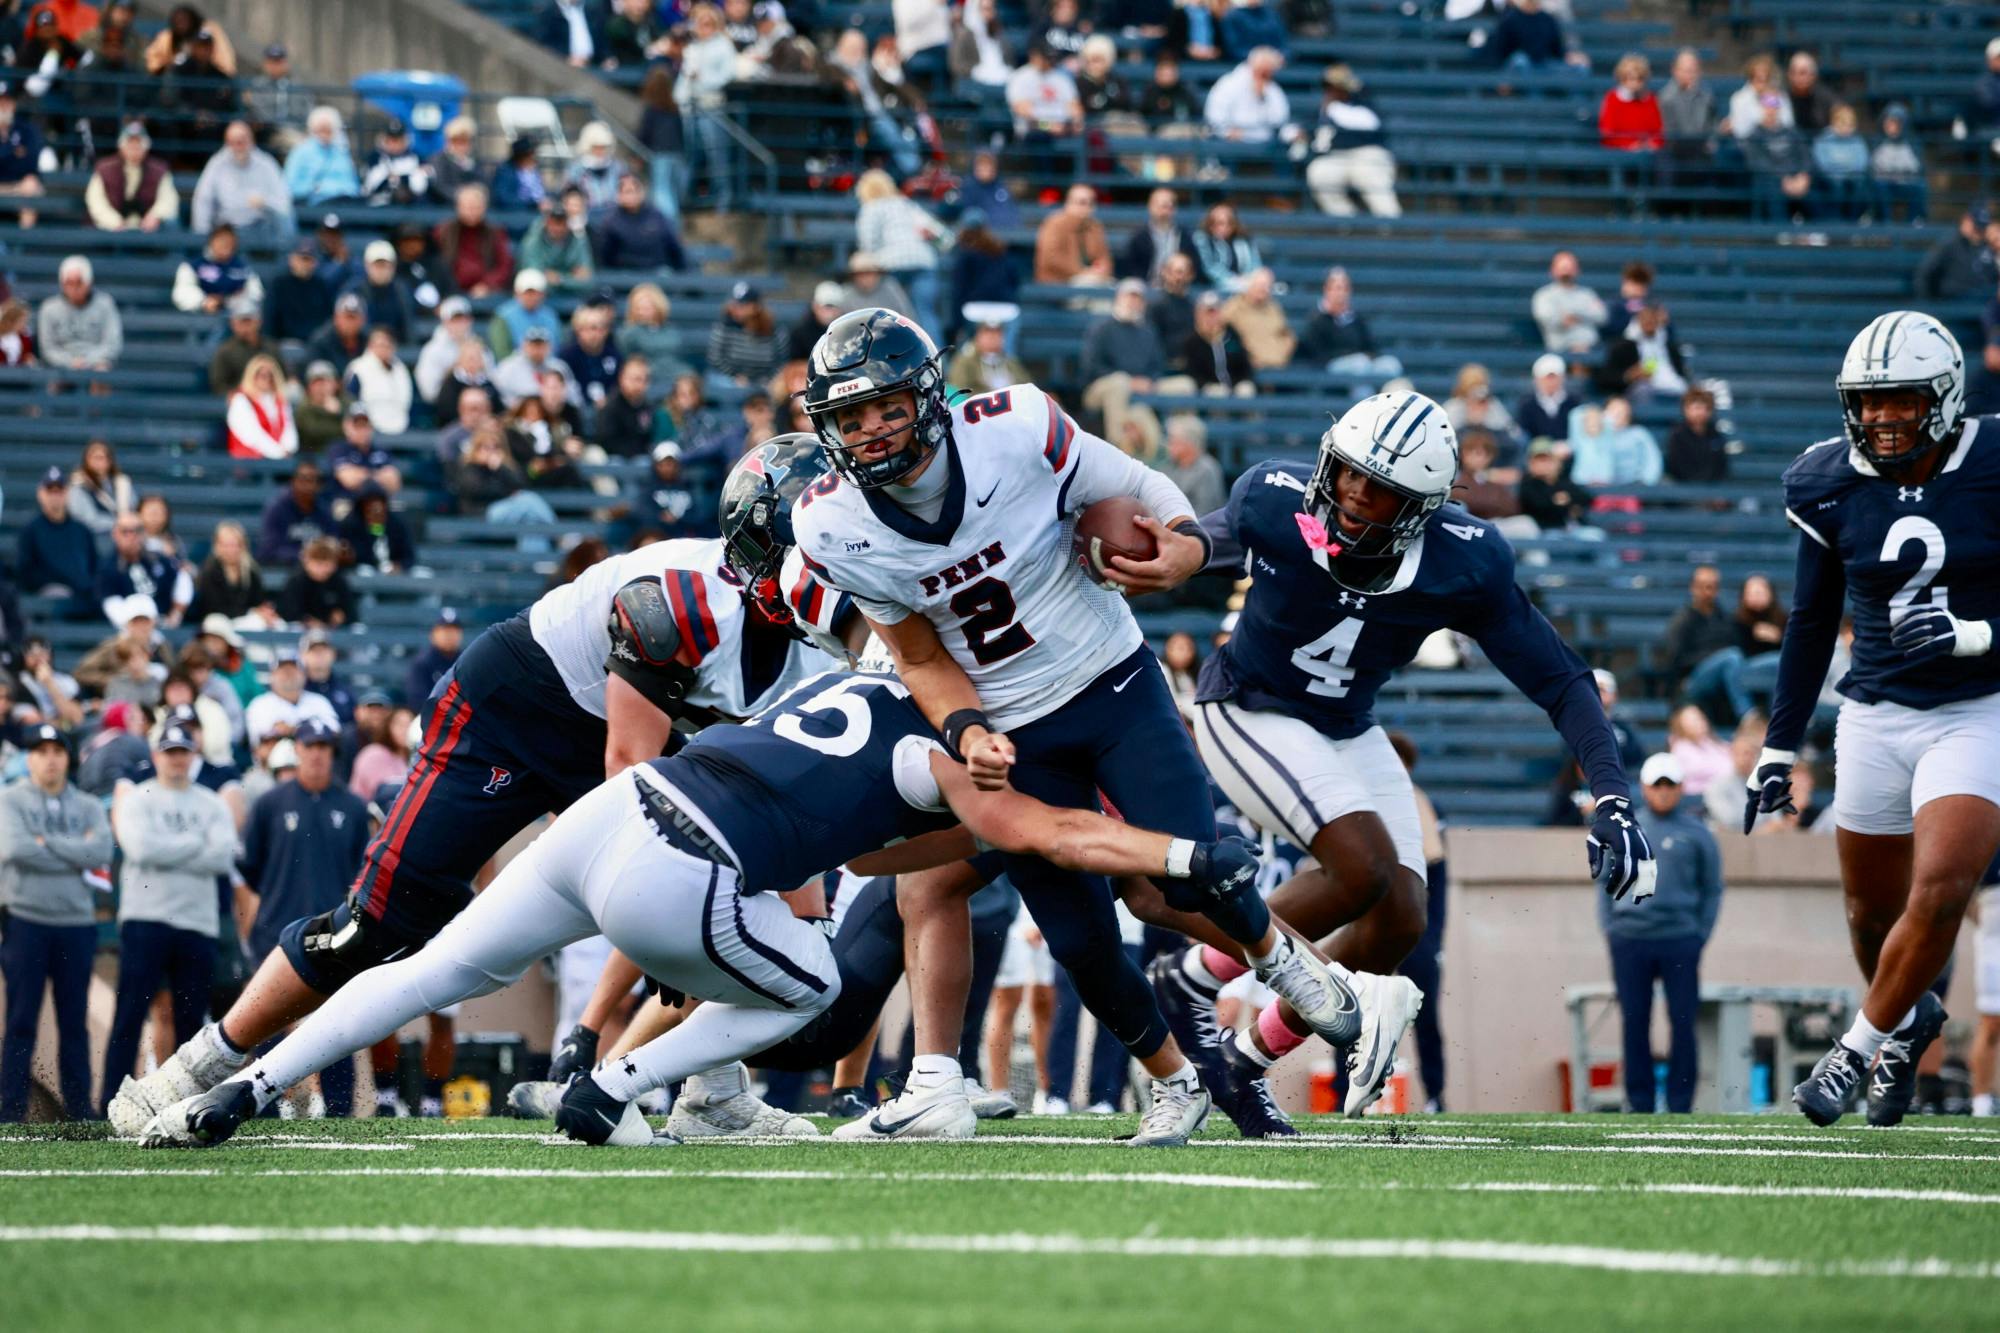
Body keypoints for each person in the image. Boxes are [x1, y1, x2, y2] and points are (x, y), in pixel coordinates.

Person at [148, 657, 1279, 1149]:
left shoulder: (838, 684)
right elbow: (1040, 831)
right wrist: (1182, 853)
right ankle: (619, 1084)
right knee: (815, 983)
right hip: (683, 868)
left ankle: (247, 1084)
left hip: (613, 813)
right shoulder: (951, 746)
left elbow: (872, 844)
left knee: (431, 969)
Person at [113, 450, 856, 1141]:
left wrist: (806, 926)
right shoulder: (675, 600)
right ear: (761, 550)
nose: (833, 560)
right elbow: (627, 765)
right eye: (812, 543)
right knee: (372, 926)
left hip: (629, 741)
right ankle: (198, 1064)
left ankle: (714, 1092)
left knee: (725, 878)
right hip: (515, 708)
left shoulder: (815, 648)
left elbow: (765, 802)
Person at [793, 310, 1371, 1142]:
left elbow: (1139, 485)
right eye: (850, 417)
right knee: (1079, 936)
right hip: (1012, 726)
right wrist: (964, 729)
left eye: (886, 407)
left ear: (927, 396)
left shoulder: (1016, 426)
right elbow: (918, 655)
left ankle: (1281, 959)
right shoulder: (830, 523)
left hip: (1111, 680)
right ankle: (1175, 1088)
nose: (872, 431)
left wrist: (1178, 547)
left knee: (1182, 874)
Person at [1150, 389, 1654, 1132]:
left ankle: (1242, 1060)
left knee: (1401, 920)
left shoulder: (1463, 561)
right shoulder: (1277, 500)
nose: (1353, 494)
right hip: (1248, 706)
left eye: (1379, 487)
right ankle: (1194, 977)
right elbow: (1212, 537)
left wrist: (1612, 793)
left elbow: (1561, 678)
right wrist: (1174, 550)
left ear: (1421, 506)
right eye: (1348, 472)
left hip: (1346, 725)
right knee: (1360, 867)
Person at [1748, 312, 2000, 1127]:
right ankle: (1905, 1022)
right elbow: (1810, 621)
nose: (1884, 416)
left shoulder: (1992, 460)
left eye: (1900, 399)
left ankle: (1853, 1051)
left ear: (1944, 396)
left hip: (1978, 707)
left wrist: (1979, 633)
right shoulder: (1825, 480)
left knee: (1943, 886)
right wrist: (1778, 745)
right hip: (1876, 712)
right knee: (1869, 912)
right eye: (1870, 400)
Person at [99, 724, 237, 1116]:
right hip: (147, 918)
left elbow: (222, 856)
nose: (177, 759)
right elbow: (139, 848)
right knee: (129, 1014)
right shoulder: (138, 798)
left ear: (193, 755)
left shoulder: (211, 802)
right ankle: (109, 1103)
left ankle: (190, 1108)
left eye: (183, 751)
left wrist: (169, 849)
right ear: (157, 755)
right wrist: (194, 845)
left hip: (196, 923)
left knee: (191, 1022)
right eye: (170, 751)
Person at [0, 725, 111, 1122]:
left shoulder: (88, 805)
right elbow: (15, 848)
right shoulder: (10, 801)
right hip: (26, 920)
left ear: (68, 757)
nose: (50, 758)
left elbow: (99, 850)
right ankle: (9, 1110)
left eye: (57, 751)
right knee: (21, 1018)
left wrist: (46, 844)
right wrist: (73, 851)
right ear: (29, 758)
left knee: (73, 1021)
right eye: (41, 751)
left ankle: (79, 1107)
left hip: (76, 924)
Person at [1603, 753, 1722, 1114]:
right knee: (1634, 1021)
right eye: (1658, 785)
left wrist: (1698, 935)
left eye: (1671, 785)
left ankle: (1680, 1102)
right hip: (1631, 939)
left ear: (1682, 788)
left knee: (1683, 1022)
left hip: (1680, 940)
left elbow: (1712, 888)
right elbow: (1605, 884)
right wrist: (1612, 929)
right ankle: (1638, 1102)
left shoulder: (1698, 833)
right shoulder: (1625, 829)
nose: (1665, 792)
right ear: (1645, 788)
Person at [1080, 277, 1170, 460]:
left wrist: (1149, 381)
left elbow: (1158, 365)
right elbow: (1091, 367)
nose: (1133, 302)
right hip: (1098, 390)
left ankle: (1174, 445)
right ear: (1119, 299)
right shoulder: (1101, 328)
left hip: (1139, 393)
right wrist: (1130, 381)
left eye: (1138, 298)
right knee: (1120, 382)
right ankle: (1118, 445)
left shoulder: (1147, 331)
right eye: (1129, 297)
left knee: (1184, 385)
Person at [854, 169, 943, 339]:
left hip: (891, 265)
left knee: (893, 316)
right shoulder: (906, 204)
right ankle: (937, 362)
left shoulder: (871, 207)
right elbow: (942, 236)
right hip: (923, 262)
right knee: (926, 314)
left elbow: (867, 244)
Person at [1306, 64, 1399, 218]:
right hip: (1336, 156)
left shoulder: (1363, 102)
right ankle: (1346, 222)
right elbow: (1307, 129)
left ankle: (1391, 224)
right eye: (1329, 87)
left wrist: (1333, 108)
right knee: (1319, 172)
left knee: (1372, 178)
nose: (1332, 91)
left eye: (1336, 86)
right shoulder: (1322, 110)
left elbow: (1370, 123)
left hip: (1368, 154)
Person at [190, 120, 292, 243]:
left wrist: (265, 202)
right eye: (233, 142)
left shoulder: (266, 163)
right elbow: (203, 199)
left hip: (260, 227)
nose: (238, 146)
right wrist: (202, 235)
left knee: (285, 218)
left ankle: (286, 254)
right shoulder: (216, 164)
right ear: (226, 143)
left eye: (242, 141)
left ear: (252, 140)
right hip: (227, 228)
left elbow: (283, 202)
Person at [97, 513, 192, 628]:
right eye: (125, 531)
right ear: (115, 534)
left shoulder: (158, 559)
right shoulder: (108, 568)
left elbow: (181, 579)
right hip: (129, 629)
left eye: (137, 530)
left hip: (163, 625)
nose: (132, 536)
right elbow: (111, 605)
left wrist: (176, 615)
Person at [17, 468, 98, 600]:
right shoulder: (30, 530)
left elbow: (93, 567)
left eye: (59, 490)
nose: (55, 495)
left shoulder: (82, 530)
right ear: (40, 494)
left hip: (84, 594)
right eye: (50, 490)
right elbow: (26, 573)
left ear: (67, 493)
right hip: (51, 596)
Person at [37, 255, 122, 381]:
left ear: (89, 283)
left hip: (96, 362)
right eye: (69, 283)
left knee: (102, 373)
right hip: (61, 366)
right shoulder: (49, 308)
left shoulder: (105, 304)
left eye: (79, 282)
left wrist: (87, 361)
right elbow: (48, 349)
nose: (74, 289)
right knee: (54, 379)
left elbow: (112, 344)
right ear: (62, 283)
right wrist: (70, 362)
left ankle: (99, 401)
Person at [85, 121, 179, 231]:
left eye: (138, 144)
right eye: (130, 143)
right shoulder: (104, 168)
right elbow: (95, 200)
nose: (134, 148)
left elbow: (168, 199)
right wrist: (114, 222)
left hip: (149, 232)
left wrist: (155, 216)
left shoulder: (159, 169)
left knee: (171, 224)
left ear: (146, 147)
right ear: (121, 147)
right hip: (110, 230)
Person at [594, 169, 687, 272]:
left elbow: (673, 248)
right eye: (626, 191)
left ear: (641, 192)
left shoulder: (657, 216)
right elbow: (604, 257)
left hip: (658, 272)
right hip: (624, 277)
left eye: (633, 190)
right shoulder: (610, 222)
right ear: (618, 195)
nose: (630, 196)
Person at [433, 183, 513, 300]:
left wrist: (487, 284)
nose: (471, 211)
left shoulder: (495, 232)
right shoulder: (443, 231)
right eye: (467, 207)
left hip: (486, 292)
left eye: (476, 207)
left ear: (484, 208)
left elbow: (504, 265)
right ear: (458, 207)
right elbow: (435, 263)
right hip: (450, 291)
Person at [1595, 301, 1687, 401]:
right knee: (1643, 389)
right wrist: (1629, 375)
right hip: (1641, 390)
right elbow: (1605, 377)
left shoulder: (1670, 347)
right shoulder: (1623, 347)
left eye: (1652, 319)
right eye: (1645, 319)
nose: (1649, 322)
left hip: (1674, 386)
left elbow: (1681, 373)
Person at [705, 282, 786, 391]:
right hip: (730, 378)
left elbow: (781, 361)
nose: (736, 309)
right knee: (720, 381)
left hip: (764, 380)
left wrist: (767, 378)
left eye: (743, 305)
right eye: (735, 304)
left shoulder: (775, 331)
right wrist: (734, 375)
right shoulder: (724, 327)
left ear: (755, 306)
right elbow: (715, 357)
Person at [1744, 97, 1812, 224]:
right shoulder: (1754, 136)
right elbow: (1757, 163)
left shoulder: (1792, 132)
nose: (1771, 110)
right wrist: (1783, 178)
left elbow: (1805, 156)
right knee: (1773, 192)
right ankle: (1781, 233)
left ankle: (1817, 232)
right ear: (1760, 109)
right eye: (1767, 106)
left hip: (1797, 178)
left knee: (1814, 192)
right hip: (1772, 180)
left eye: (1774, 106)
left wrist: (1804, 175)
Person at [256, 460, 336, 566]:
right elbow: (270, 549)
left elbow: (333, 541)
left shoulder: (325, 510)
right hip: (284, 569)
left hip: (319, 569)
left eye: (313, 480)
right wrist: (306, 555)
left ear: (318, 485)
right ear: (293, 481)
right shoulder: (277, 509)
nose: (308, 485)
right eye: (303, 479)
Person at [1568, 397, 1661, 487]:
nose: (1618, 413)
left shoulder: (1638, 433)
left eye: (1622, 410)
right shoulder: (1595, 436)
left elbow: (1652, 459)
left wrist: (1645, 482)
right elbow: (1576, 416)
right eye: (1614, 409)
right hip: (1601, 486)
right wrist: (1595, 415)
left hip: (1634, 486)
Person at [1532, 250, 1608, 360]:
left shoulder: (1588, 294)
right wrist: (1579, 318)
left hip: (1591, 347)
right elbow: (1547, 318)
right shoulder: (1544, 295)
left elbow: (1601, 316)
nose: (1566, 270)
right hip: (1559, 348)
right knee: (1579, 354)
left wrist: (1575, 315)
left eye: (1569, 266)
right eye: (1562, 266)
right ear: (1552, 270)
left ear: (1577, 270)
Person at [1033, 183, 1113, 287]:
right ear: (1068, 203)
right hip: (1058, 281)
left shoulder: (1095, 226)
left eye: (1091, 203)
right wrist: (1083, 271)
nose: (1087, 207)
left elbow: (1103, 256)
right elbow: (1052, 259)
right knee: (1091, 287)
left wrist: (1102, 270)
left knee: (1116, 288)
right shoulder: (1054, 224)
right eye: (1082, 202)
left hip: (1091, 279)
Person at [283, 106, 361, 208]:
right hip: (314, 206)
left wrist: (338, 190)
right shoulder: (300, 152)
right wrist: (316, 189)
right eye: (321, 129)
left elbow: (353, 186)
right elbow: (289, 186)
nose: (325, 134)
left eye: (329, 130)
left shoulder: (341, 154)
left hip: (342, 204)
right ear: (313, 129)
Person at [225, 353, 297, 461]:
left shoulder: (280, 400)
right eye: (262, 375)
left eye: (271, 375)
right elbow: (252, 435)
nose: (267, 379)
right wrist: (278, 453)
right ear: (252, 376)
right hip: (248, 463)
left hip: (277, 461)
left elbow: (289, 429)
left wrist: (288, 449)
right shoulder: (241, 400)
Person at [1221, 266, 1294, 371]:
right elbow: (1222, 335)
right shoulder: (1234, 307)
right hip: (1248, 368)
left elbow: (1287, 335)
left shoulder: (1274, 308)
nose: (1264, 289)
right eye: (1261, 285)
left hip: (1278, 366)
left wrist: (1283, 354)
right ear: (1250, 285)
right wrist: (1245, 357)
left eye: (1267, 286)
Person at [1182, 292, 1255, 397]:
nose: (1212, 317)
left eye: (1215, 312)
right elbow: (1193, 373)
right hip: (1208, 388)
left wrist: (1239, 382)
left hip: (1234, 384)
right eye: (1208, 313)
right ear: (1198, 315)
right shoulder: (1192, 341)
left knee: (1246, 389)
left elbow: (1244, 365)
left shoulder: (1232, 335)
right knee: (1218, 393)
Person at [341, 240, 415, 343]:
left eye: (385, 265)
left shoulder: (401, 290)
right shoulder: (354, 290)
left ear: (393, 266)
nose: (381, 270)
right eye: (377, 265)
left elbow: (407, 325)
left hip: (394, 347)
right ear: (367, 266)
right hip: (362, 348)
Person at [1157, 413, 1225, 516]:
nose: (1168, 443)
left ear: (1190, 442)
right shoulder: (1168, 466)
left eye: (1173, 439)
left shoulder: (1207, 470)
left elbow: (1206, 511)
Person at [1813, 103, 1869, 223]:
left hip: (1853, 178)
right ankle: (1837, 224)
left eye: (1850, 124)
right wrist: (1840, 174)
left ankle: (1853, 224)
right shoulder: (1823, 139)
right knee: (1837, 188)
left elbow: (1861, 163)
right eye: (1842, 123)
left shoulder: (1857, 140)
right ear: (1834, 122)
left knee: (1860, 189)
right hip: (1831, 179)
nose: (1846, 128)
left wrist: (1848, 173)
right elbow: (1823, 163)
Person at [1664, 386, 1732, 482]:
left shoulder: (1715, 435)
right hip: (1683, 488)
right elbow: (1676, 466)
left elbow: (1721, 465)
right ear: (1685, 410)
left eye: (1705, 408)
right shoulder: (1677, 435)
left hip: (1712, 489)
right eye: (1696, 408)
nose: (1700, 412)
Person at [1598, 53, 1662, 152]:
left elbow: (1657, 132)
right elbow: (1608, 133)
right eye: (1630, 78)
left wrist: (1650, 145)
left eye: (1640, 78)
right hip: (1619, 153)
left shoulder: (1651, 99)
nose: (1635, 83)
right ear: (1622, 79)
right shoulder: (1612, 99)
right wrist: (1629, 145)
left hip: (1647, 153)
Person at [517, 208, 593, 292]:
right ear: (546, 223)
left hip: (571, 294)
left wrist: (560, 279)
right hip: (540, 295)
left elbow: (586, 278)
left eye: (561, 223)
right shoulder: (532, 242)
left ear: (568, 224)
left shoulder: (578, 240)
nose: (558, 228)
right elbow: (534, 276)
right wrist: (571, 276)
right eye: (554, 223)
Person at [1192, 202, 1260, 294]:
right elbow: (1209, 268)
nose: (1224, 227)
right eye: (1216, 223)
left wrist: (1250, 279)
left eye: (1228, 223)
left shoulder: (1244, 240)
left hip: (1246, 284)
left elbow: (1255, 265)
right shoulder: (1202, 240)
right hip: (1211, 288)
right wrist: (1234, 280)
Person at [425, 116, 485, 198]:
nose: (460, 146)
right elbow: (439, 187)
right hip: (443, 207)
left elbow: (482, 184)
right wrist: (461, 196)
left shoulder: (474, 163)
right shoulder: (438, 160)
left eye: (464, 141)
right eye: (456, 141)